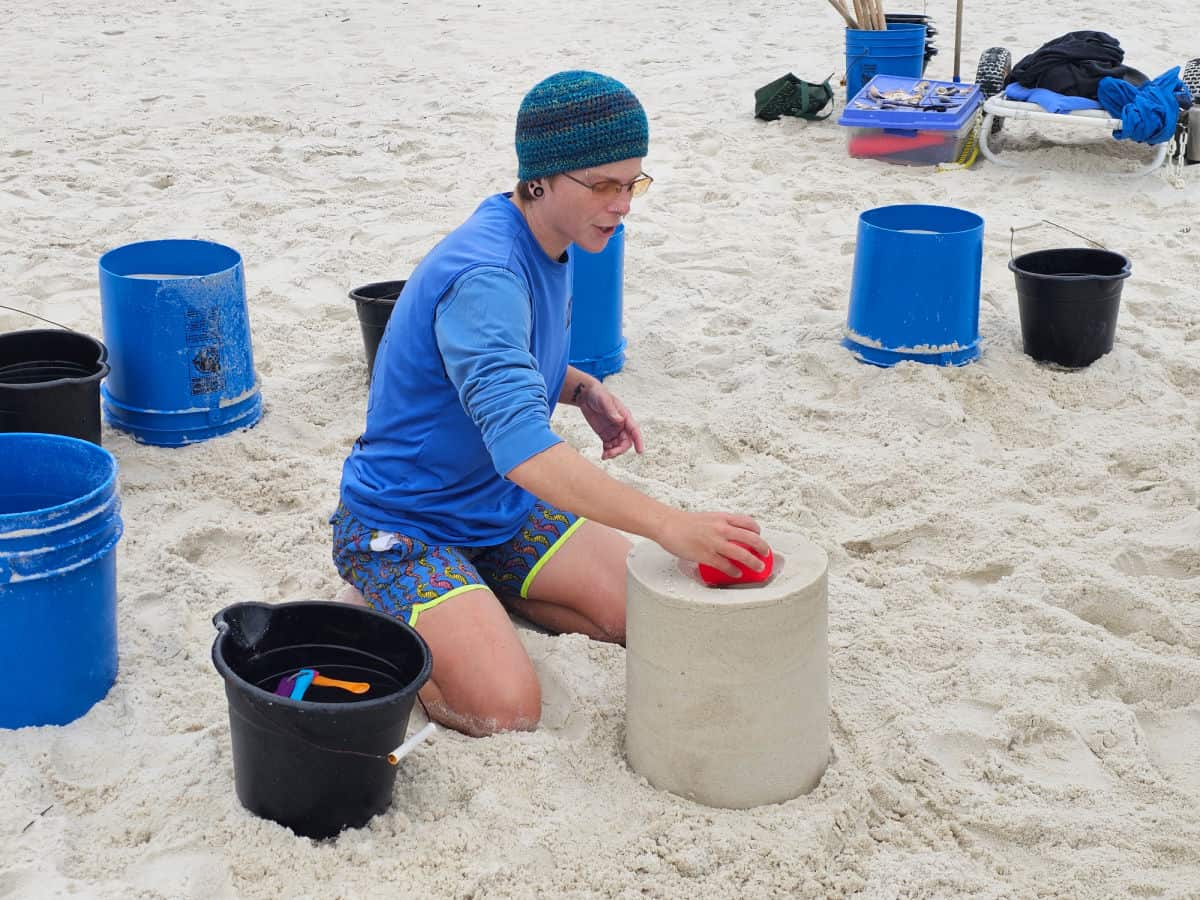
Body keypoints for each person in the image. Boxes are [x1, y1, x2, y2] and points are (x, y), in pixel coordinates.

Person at [332, 70, 768, 737]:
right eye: (603, 185)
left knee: (642, 615)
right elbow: (525, 452)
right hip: (407, 523)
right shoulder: (487, 275)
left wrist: (578, 386)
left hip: (497, 505)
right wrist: (668, 524)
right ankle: (383, 596)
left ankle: (475, 593)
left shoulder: (549, 237)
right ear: (540, 179)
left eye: (633, 184)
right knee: (505, 711)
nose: (623, 205)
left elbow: (502, 356)